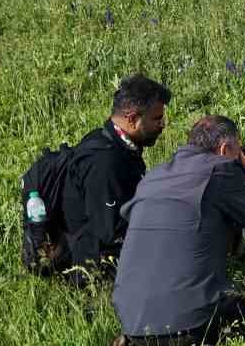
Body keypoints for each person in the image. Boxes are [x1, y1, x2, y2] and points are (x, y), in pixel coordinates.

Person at [110, 114, 245, 346]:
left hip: (133, 323)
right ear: (224, 149)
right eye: (238, 149)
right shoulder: (220, 170)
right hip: (188, 328)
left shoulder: (153, 178)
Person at [58, 74, 170, 285]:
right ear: (132, 119)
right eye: (156, 119)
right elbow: (109, 233)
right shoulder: (104, 163)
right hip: (95, 268)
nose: (162, 125)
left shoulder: (114, 142)